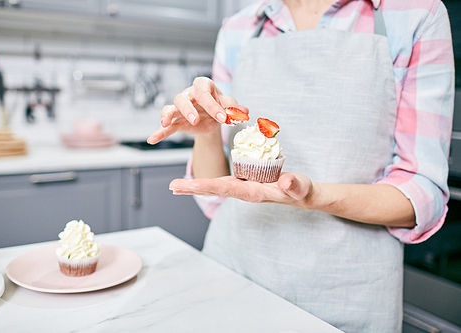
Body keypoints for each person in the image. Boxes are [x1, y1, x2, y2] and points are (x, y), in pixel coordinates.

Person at [147, 0, 454, 332]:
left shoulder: (415, 15)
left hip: (344, 298)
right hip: (230, 277)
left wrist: (313, 196)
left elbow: (422, 195)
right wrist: (206, 132)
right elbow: (217, 194)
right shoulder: (238, 29)